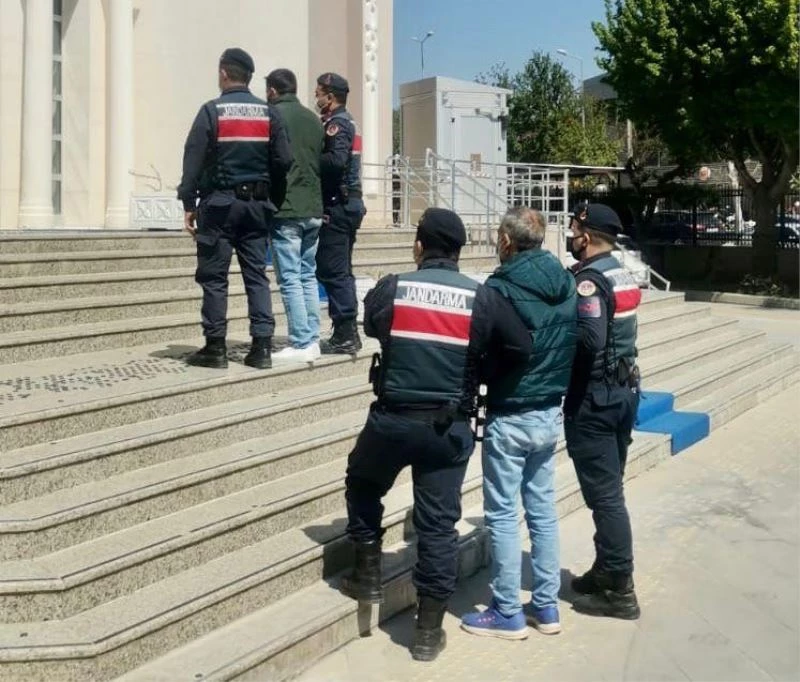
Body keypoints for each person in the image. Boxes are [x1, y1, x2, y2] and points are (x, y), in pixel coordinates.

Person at [339, 208, 533, 662]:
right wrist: (481, 371)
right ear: (460, 251)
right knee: (438, 526)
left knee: (363, 483)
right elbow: (521, 347)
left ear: (419, 246)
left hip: (392, 419)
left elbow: (372, 326)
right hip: (448, 427)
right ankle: (427, 632)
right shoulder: (482, 298)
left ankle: (367, 572)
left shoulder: (394, 287)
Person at [461, 207, 577, 639]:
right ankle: (546, 606)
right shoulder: (567, 282)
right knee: (542, 510)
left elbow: (482, 349)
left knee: (504, 514)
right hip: (548, 410)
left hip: (510, 411)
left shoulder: (498, 288)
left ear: (507, 241)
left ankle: (507, 610)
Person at [177, 48, 292, 371]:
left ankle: (215, 348)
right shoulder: (269, 114)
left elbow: (193, 159)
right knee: (256, 276)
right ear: (249, 77)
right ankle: (262, 347)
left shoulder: (211, 111)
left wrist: (189, 203)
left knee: (215, 278)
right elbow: (284, 160)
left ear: (224, 73)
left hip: (218, 206)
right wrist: (271, 199)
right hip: (257, 207)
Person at [563, 203, 642, 620]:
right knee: (609, 490)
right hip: (624, 390)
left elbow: (590, 339)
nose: (571, 235)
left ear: (588, 235)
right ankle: (606, 568)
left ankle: (620, 589)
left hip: (597, 399)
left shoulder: (590, 281)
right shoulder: (620, 271)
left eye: (575, 228)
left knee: (605, 496)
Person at [265, 68, 325, 364]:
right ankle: (312, 338)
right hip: (313, 206)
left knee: (289, 277)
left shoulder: (273, 116)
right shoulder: (314, 119)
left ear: (272, 91)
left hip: (287, 206)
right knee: (307, 274)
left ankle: (302, 341)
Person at [314, 72, 364, 355]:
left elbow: (335, 161)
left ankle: (346, 333)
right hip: (346, 203)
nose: (316, 96)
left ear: (330, 97)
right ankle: (346, 331)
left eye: (319, 92)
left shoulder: (338, 124)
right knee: (339, 269)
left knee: (333, 269)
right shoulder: (345, 121)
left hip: (339, 204)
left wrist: (308, 157)